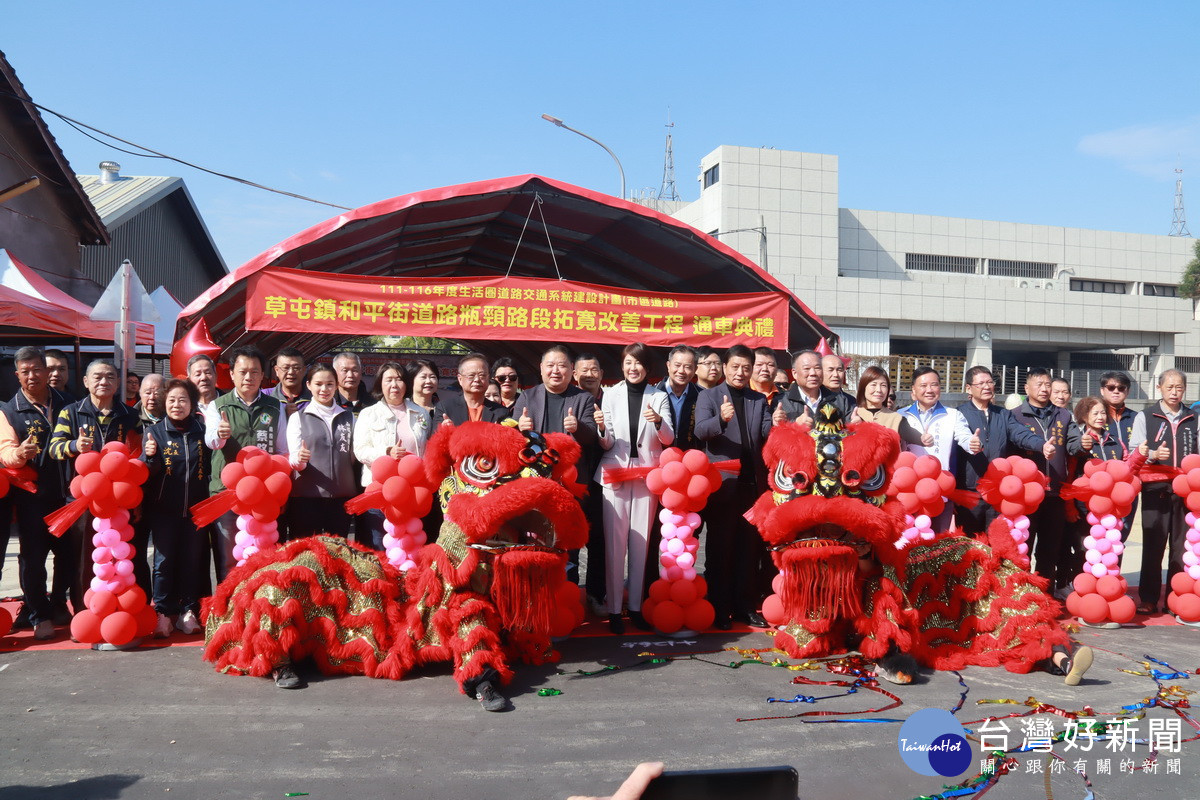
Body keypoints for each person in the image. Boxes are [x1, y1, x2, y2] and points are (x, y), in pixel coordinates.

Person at [49, 359, 142, 613]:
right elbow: (54, 448)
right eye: (98, 377)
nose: (104, 382)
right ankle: (84, 612)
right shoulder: (71, 412)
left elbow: (139, 454)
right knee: (84, 559)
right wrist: (74, 446)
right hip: (83, 499)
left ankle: (117, 610)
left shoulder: (130, 415)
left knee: (119, 556)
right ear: (86, 382)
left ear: (118, 383)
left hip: (119, 500)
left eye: (110, 377)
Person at [596, 343, 674, 633]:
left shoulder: (658, 396)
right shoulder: (610, 394)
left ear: (647, 367)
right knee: (614, 545)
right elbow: (607, 442)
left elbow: (669, 438)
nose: (633, 368)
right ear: (622, 365)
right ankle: (615, 610)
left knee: (641, 544)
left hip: (646, 476)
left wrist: (658, 421)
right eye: (628, 362)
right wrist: (601, 429)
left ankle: (637, 608)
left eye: (638, 363)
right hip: (615, 473)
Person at [694, 344, 773, 629]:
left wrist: (777, 423)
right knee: (720, 549)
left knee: (748, 550)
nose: (740, 372)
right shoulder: (709, 396)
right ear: (725, 368)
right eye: (735, 367)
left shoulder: (758, 399)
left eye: (746, 368)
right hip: (724, 485)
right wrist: (721, 419)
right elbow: (700, 430)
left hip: (753, 486)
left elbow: (766, 433)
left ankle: (744, 607)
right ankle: (719, 607)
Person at [0, 347, 73, 638]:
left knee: (67, 555)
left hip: (68, 495)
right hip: (32, 498)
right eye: (25, 371)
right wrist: (19, 454)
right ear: (17, 375)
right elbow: (5, 451)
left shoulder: (69, 404)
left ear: (46, 371)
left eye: (36, 369)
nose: (32, 376)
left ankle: (59, 603)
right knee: (33, 558)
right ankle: (38, 613)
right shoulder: (9, 410)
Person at [517, 346, 600, 589]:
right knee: (533, 541)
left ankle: (567, 594)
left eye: (562, 365)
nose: (556, 370)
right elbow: (511, 437)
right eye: (550, 365)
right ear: (541, 368)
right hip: (534, 484)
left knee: (567, 545)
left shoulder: (583, 398)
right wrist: (518, 427)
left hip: (569, 484)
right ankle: (535, 594)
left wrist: (577, 427)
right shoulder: (527, 397)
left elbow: (592, 437)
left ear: (571, 370)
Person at [204, 347, 287, 580]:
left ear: (263, 375)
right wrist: (220, 434)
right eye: (243, 372)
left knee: (264, 556)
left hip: (264, 495)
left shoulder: (275, 406)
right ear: (232, 374)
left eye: (254, 372)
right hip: (228, 493)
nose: (248, 377)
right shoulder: (218, 406)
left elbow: (282, 449)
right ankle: (227, 601)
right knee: (228, 558)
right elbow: (210, 441)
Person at [141, 378, 210, 636]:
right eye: (171, 400)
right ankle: (162, 613)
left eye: (182, 400)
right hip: (164, 510)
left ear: (192, 404)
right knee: (163, 563)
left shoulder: (203, 432)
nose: (176, 405)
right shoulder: (154, 432)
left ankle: (187, 611)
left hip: (197, 510)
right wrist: (149, 457)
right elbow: (144, 473)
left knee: (192, 561)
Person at [1130, 369, 1197, 615]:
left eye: (1179, 387)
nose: (1174, 392)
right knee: (1153, 544)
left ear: (1184, 389)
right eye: (1169, 387)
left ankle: (1174, 599)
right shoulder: (1146, 416)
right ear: (1159, 388)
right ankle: (1148, 598)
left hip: (1185, 489)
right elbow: (1134, 451)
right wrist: (1154, 454)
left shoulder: (1194, 417)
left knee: (1181, 547)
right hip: (1155, 487)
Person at [955, 366, 1051, 535]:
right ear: (968, 388)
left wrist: (1041, 445)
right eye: (981, 383)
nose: (987, 386)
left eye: (990, 382)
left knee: (997, 541)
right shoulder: (959, 414)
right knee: (969, 543)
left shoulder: (1003, 414)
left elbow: (1021, 434)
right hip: (969, 491)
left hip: (998, 491)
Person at [352, 362, 431, 549]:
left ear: (406, 384)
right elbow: (360, 450)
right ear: (380, 384)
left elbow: (428, 449)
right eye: (389, 380)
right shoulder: (368, 414)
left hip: (413, 491)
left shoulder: (421, 414)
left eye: (399, 380)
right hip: (380, 490)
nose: (394, 385)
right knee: (380, 544)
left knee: (410, 542)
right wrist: (387, 453)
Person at [897, 367, 980, 531]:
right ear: (913, 390)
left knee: (939, 540)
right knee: (908, 538)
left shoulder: (952, 415)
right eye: (923, 385)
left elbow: (964, 437)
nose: (929, 390)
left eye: (934, 385)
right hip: (908, 492)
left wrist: (972, 443)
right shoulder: (900, 415)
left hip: (940, 490)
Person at [1011, 368, 1071, 593]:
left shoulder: (1063, 415)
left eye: (1047, 384)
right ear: (1026, 388)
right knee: (1023, 547)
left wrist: (1081, 443)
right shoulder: (1015, 415)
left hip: (1055, 493)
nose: (1044, 389)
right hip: (1026, 496)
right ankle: (1023, 595)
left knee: (1049, 550)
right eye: (1039, 384)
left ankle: (1045, 595)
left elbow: (1073, 442)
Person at [286, 364, 356, 540]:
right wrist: (300, 460)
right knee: (306, 551)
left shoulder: (348, 417)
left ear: (337, 385)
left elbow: (355, 456)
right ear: (308, 385)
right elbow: (293, 457)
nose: (324, 389)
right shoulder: (298, 417)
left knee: (338, 551)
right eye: (318, 384)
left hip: (341, 498)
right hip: (307, 498)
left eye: (329, 384)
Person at [851, 366, 923, 445]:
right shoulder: (853, 414)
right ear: (863, 387)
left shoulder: (896, 418)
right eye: (873, 385)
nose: (878, 390)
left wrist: (925, 439)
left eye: (883, 385)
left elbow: (916, 437)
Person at [776, 350, 854, 422]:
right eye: (807, 368)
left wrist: (854, 425)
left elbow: (849, 428)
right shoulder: (781, 401)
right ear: (794, 373)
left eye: (817, 368)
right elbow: (774, 429)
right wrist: (795, 425)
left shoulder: (840, 400)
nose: (813, 373)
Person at [435, 353, 511, 426]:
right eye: (471, 375)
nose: (477, 379)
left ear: (488, 378)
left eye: (482, 375)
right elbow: (436, 434)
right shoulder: (445, 408)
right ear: (460, 379)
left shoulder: (501, 412)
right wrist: (445, 430)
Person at [655, 345, 701, 452]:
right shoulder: (653, 393)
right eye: (677, 365)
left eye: (687, 367)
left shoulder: (701, 395)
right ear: (668, 365)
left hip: (689, 457)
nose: (681, 371)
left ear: (695, 369)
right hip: (658, 456)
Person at [266, 347, 309, 418]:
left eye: (296, 368)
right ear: (276, 370)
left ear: (304, 370)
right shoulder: (264, 396)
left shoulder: (315, 398)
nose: (291, 372)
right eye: (286, 368)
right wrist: (282, 413)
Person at [407, 359, 440, 427]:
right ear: (410, 380)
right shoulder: (404, 409)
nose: (428, 381)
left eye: (432, 377)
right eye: (423, 377)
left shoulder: (443, 409)